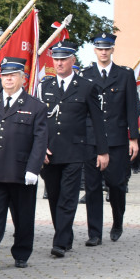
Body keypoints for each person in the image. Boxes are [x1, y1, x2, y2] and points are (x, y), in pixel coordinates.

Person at [38, 42, 108, 257]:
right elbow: (38, 122)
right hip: (50, 153)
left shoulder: (87, 87)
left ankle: (59, 242)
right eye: (56, 59)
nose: (59, 63)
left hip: (75, 151)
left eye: (63, 59)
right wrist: (40, 148)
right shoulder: (45, 86)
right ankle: (65, 236)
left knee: (68, 197)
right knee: (55, 197)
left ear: (72, 60)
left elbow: (98, 121)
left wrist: (102, 151)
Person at [0, 57, 47, 269]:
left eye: (13, 75)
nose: (8, 79)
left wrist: (33, 169)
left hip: (21, 171)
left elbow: (40, 141)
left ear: (23, 79)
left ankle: (22, 253)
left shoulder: (35, 106)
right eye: (5, 75)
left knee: (23, 216)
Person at [80, 33, 139, 244]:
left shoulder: (124, 75)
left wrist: (134, 138)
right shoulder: (85, 75)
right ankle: (94, 233)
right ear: (94, 50)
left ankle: (117, 221)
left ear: (113, 49)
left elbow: (132, 108)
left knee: (116, 184)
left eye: (107, 48)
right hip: (91, 139)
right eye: (99, 48)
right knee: (92, 187)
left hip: (116, 139)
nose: (103, 52)